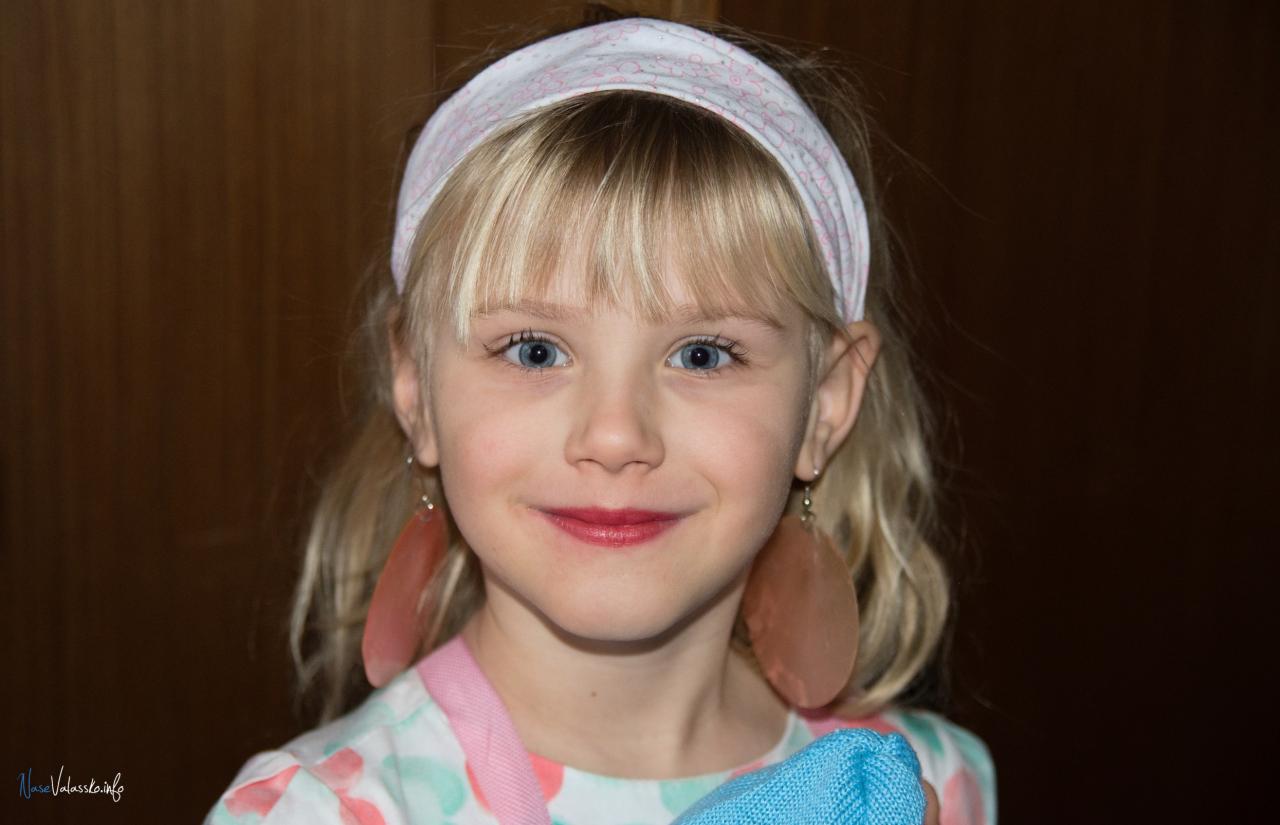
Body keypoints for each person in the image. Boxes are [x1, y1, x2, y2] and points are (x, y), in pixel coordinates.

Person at [205, 11, 995, 825]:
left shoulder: (928, 789)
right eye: (535, 350)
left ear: (824, 404)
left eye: (702, 354)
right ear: (415, 386)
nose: (615, 436)